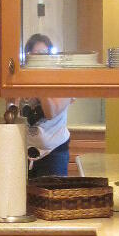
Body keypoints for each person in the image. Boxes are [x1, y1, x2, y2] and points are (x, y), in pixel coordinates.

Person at [20, 33, 73, 177]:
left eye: (43, 54)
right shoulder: (22, 78)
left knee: (52, 191)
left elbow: (51, 112)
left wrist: (39, 80)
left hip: (54, 153)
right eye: (34, 54)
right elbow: (11, 105)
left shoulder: (62, 79)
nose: (39, 59)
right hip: (24, 151)